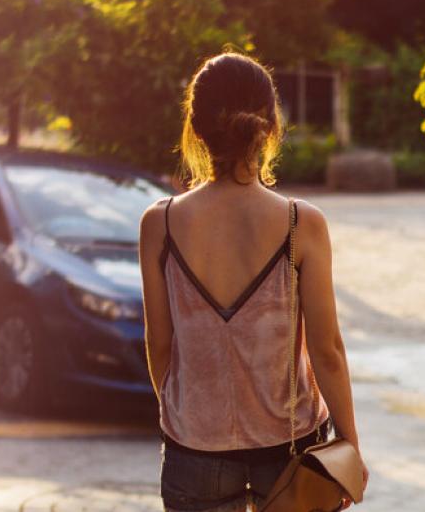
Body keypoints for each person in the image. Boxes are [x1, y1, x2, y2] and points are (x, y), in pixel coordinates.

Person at [139, 52, 368, 512]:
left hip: (194, 449)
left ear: (197, 127)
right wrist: (349, 446)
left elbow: (159, 346)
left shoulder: (159, 224)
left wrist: (187, 421)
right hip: (291, 449)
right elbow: (327, 351)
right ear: (269, 124)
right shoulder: (301, 223)